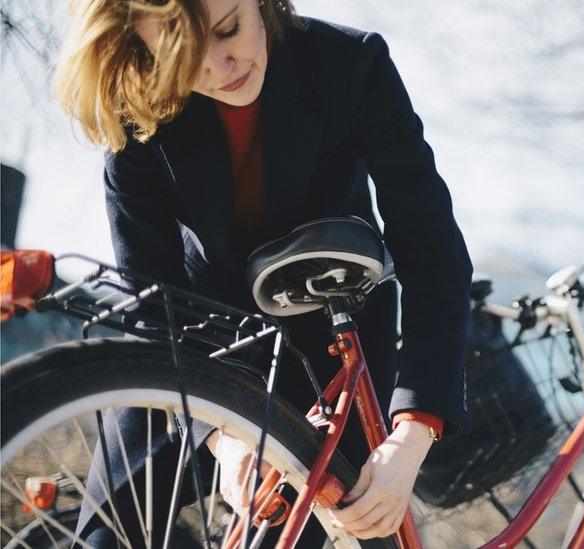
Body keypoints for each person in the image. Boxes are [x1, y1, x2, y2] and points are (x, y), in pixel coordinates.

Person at [52, 0, 473, 544]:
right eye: (185, 58)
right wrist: (221, 436)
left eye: (229, 30)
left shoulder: (352, 64)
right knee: (110, 529)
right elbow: (149, 302)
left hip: (327, 336)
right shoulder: (136, 106)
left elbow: (431, 249)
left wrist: (413, 435)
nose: (219, 68)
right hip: (190, 338)